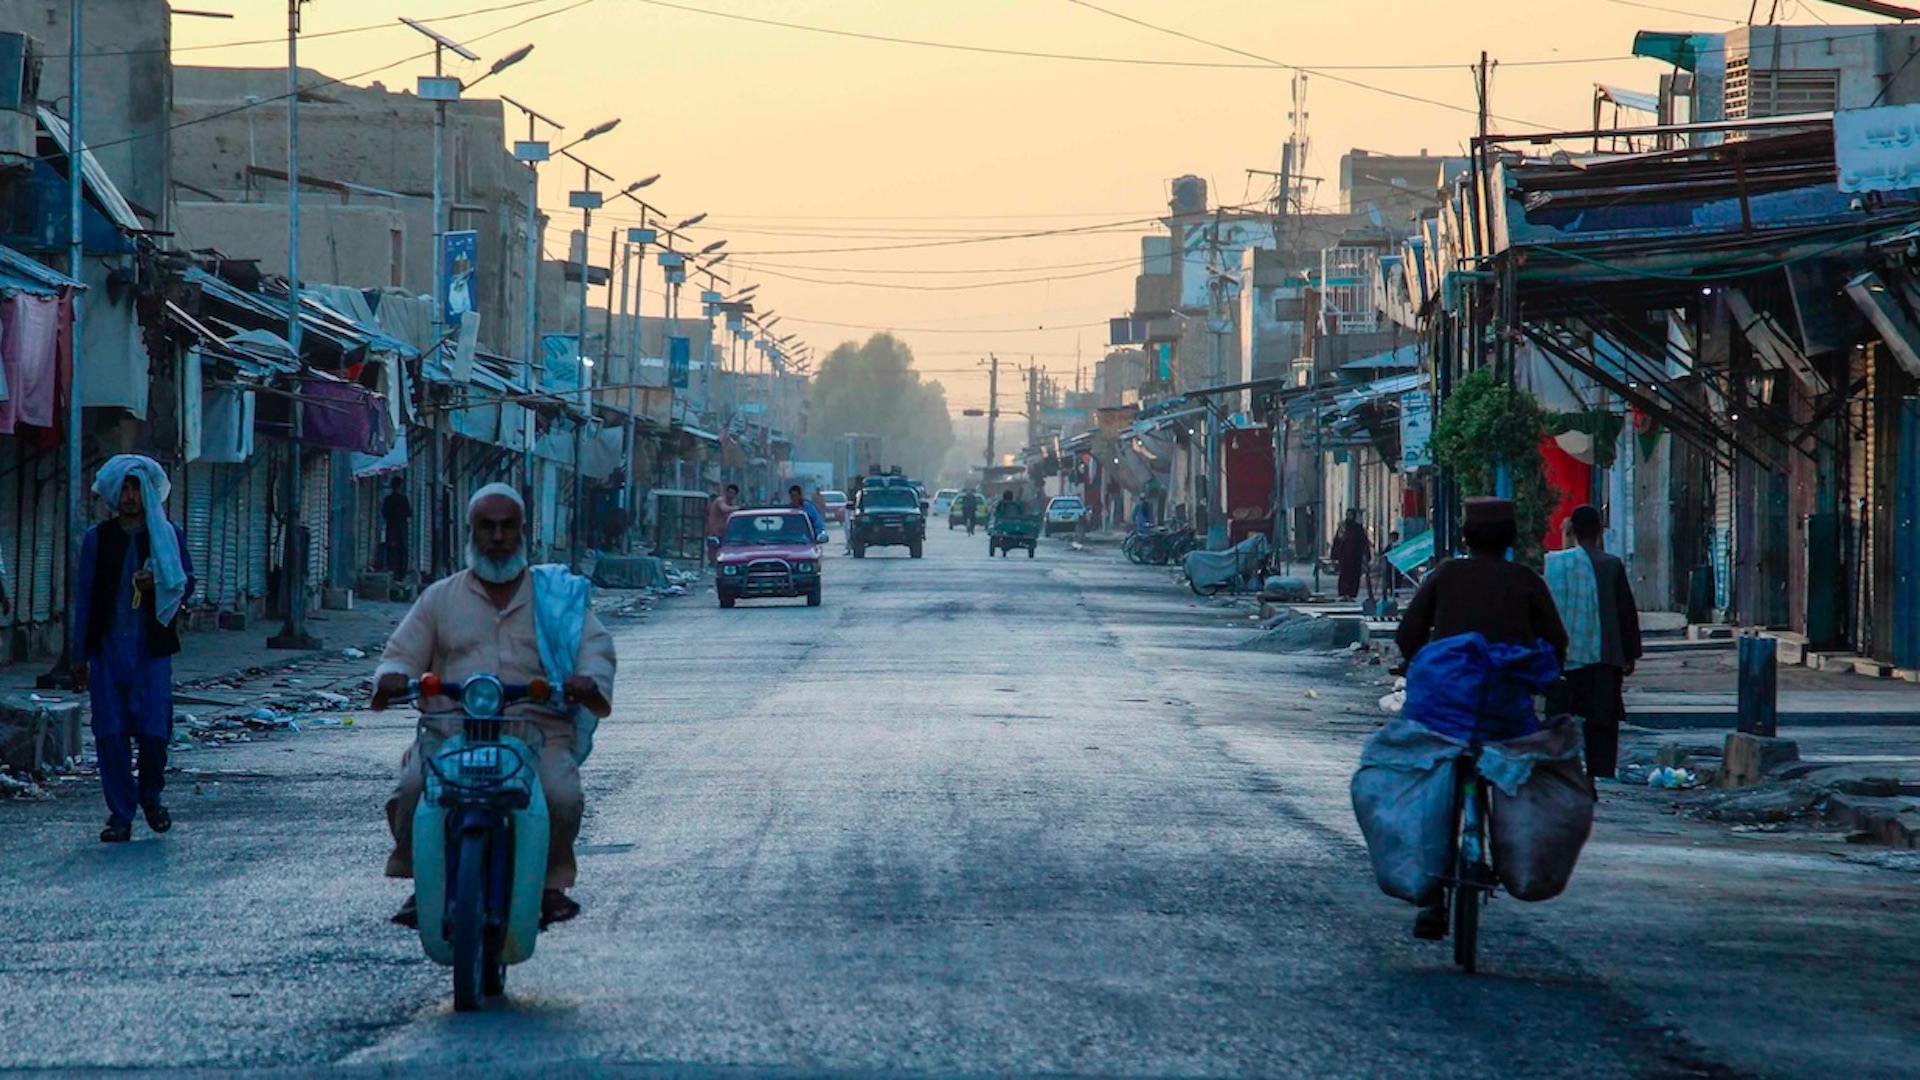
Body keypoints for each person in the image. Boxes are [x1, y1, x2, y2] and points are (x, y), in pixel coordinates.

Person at [372, 483, 616, 929]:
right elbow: (401, 653)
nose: (498, 537)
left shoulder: (556, 597)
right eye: (488, 527)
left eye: (508, 527)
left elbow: (593, 646)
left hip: (535, 732)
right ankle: (422, 879)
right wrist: (391, 677)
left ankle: (548, 885)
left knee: (561, 797)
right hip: (451, 731)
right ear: (471, 531)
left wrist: (587, 680)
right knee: (411, 789)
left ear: (524, 531)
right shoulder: (440, 597)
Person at [1395, 497, 1569, 940]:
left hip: (1446, 709)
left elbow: (1408, 633)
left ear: (1466, 537)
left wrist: (1421, 665)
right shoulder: (1525, 580)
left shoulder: (1447, 574)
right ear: (1512, 538)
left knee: (1432, 787)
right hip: (1503, 711)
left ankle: (1431, 899)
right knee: (1520, 775)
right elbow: (1556, 640)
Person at [74, 455, 195, 844]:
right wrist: (79, 654)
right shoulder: (98, 538)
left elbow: (186, 583)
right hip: (107, 651)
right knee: (110, 734)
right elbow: (86, 597)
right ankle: (120, 814)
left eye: (136, 489)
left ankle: (151, 794)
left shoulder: (167, 535)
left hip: (151, 651)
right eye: (124, 489)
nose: (130, 497)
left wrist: (156, 582)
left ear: (148, 493)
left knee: (154, 731)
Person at [1544, 504, 1643, 787]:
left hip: (1565, 659)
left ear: (1572, 531)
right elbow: (1626, 612)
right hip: (1604, 657)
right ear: (1600, 531)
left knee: (1559, 722)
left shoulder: (1556, 565)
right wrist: (1630, 654)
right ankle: (1598, 775)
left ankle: (1560, 775)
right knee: (1602, 725)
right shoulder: (1611, 565)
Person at [1330, 509, 1371, 602]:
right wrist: (1334, 556)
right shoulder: (1342, 528)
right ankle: (1343, 594)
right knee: (1344, 575)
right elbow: (1337, 542)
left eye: (1351, 515)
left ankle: (1352, 594)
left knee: (1355, 576)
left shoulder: (1358, 528)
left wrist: (1366, 555)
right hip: (1344, 557)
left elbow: (1364, 542)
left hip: (1356, 557)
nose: (1349, 517)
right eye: (1347, 515)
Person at [381, 476, 412, 579]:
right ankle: (401, 573)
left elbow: (384, 513)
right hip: (402, 526)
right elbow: (409, 513)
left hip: (391, 525)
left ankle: (392, 570)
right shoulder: (403, 499)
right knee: (402, 549)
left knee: (391, 548)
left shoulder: (388, 499)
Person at [705, 484, 740, 564]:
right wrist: (738, 508)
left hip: (723, 532)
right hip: (714, 531)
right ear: (726, 492)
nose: (731, 495)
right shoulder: (720, 500)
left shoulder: (731, 503)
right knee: (713, 551)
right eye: (729, 492)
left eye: (733, 493)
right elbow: (724, 509)